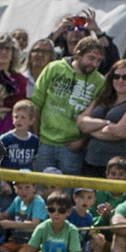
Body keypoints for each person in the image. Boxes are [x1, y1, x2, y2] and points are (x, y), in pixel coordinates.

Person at [29, 35, 106, 174]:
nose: (94, 64)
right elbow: (37, 104)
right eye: (91, 58)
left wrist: (82, 142)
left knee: (68, 192)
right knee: (41, 189)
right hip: (46, 143)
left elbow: (98, 117)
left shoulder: (100, 81)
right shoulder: (54, 68)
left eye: (98, 60)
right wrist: (37, 137)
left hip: (73, 147)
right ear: (78, 54)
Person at [77, 60, 126, 178]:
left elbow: (120, 132)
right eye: (116, 76)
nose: (120, 80)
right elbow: (81, 122)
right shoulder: (101, 99)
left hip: (122, 169)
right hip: (92, 162)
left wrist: (91, 129)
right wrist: (107, 123)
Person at [0, 100, 40, 172]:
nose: (18, 120)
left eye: (23, 117)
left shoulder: (34, 140)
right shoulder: (5, 139)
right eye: (16, 117)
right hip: (7, 179)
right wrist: (3, 182)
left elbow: (33, 162)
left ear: (31, 120)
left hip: (26, 179)